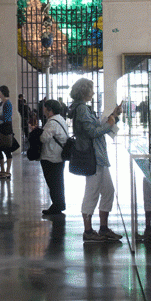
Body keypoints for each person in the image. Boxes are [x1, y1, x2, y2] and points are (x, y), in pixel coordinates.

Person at [68, 78, 123, 242]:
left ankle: (103, 228)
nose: (93, 92)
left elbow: (94, 127)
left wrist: (113, 116)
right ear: (84, 91)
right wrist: (110, 123)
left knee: (108, 191)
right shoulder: (82, 109)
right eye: (91, 90)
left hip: (98, 156)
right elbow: (92, 132)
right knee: (91, 193)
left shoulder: (83, 108)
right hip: (92, 156)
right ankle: (88, 230)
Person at [39, 99, 69, 215]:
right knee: (58, 182)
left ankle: (56, 205)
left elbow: (43, 138)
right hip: (59, 156)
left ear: (50, 110)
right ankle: (60, 204)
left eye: (45, 107)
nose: (43, 109)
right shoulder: (60, 119)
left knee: (53, 183)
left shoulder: (52, 122)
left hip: (51, 156)